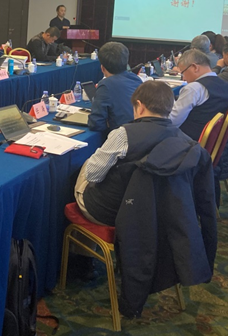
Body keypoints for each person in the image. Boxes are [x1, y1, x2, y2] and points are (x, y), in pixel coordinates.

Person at [75, 81, 192, 227]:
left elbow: (93, 175)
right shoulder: (185, 141)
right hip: (157, 213)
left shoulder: (123, 134)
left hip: (111, 212)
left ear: (140, 106)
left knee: (88, 165)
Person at [170, 49, 228, 140]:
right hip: (213, 142)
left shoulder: (194, 88)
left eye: (183, 73)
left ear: (195, 67)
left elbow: (172, 122)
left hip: (187, 141)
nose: (184, 79)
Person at [88, 42, 142, 135]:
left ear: (102, 68)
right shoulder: (136, 79)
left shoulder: (105, 85)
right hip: (140, 132)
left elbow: (96, 124)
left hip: (122, 137)